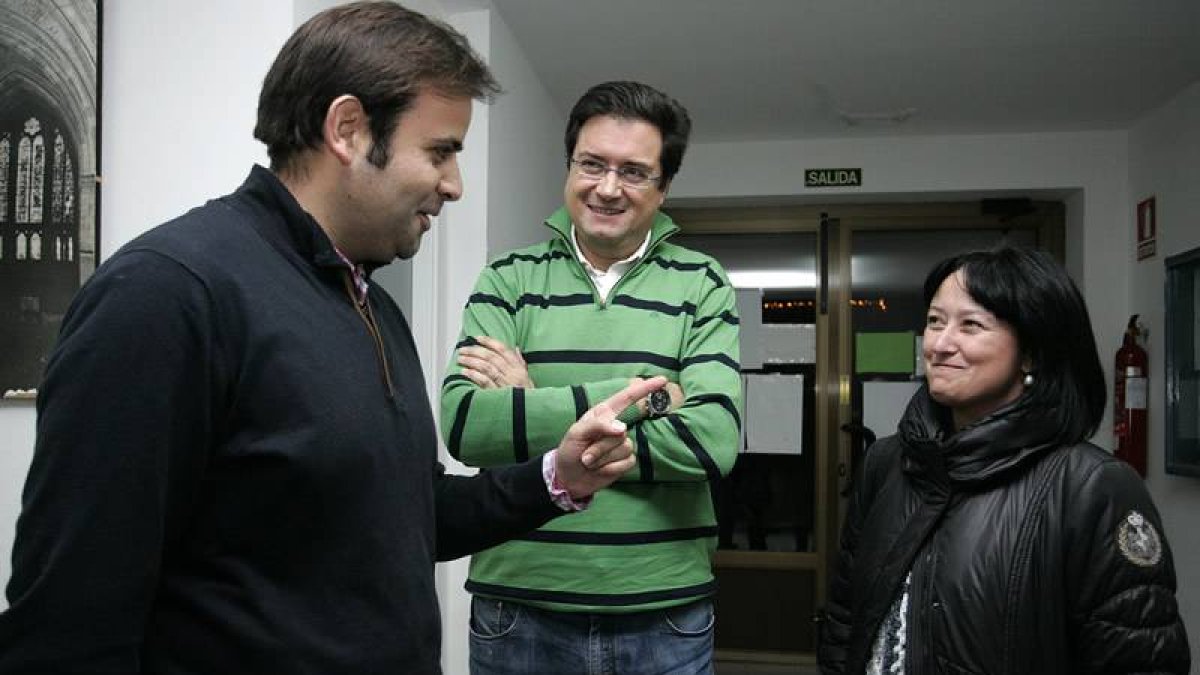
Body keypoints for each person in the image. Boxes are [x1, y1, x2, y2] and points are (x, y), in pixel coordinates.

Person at [0, 4, 665, 674]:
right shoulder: (168, 295)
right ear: (348, 129)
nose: (454, 185)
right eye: (439, 152)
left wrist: (558, 475)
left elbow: (409, 513)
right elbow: (68, 627)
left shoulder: (369, 303)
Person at [439, 81, 742, 674]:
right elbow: (468, 427)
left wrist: (531, 410)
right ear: (569, 165)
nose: (607, 188)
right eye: (592, 164)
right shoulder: (507, 278)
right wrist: (647, 399)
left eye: (633, 172)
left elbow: (712, 443)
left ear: (664, 186)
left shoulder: (702, 282)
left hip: (664, 612)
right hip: (519, 607)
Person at [818, 246, 1190, 674]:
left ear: (1030, 352)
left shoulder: (1092, 487)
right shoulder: (887, 463)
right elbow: (846, 620)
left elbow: (1140, 662)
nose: (939, 344)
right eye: (935, 321)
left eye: (971, 325)